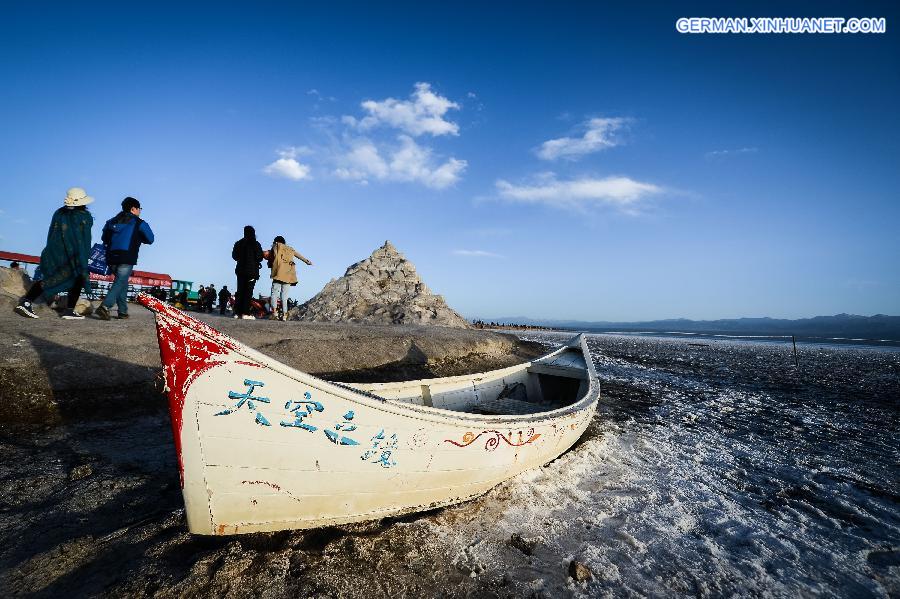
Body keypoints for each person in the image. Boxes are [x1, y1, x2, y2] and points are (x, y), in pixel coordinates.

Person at [16, 187, 95, 320]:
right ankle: (28, 303)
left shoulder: (59, 213)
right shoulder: (84, 217)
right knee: (77, 278)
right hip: (73, 255)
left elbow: (52, 232)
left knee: (53, 278)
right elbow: (84, 240)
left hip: (54, 252)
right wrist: (84, 257)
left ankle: (29, 302)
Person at [95, 197, 154, 320]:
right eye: (139, 209)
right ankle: (105, 306)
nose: (140, 211)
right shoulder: (139, 223)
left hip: (111, 256)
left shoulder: (111, 221)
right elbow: (150, 239)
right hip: (126, 257)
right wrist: (140, 238)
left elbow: (104, 238)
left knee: (121, 282)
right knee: (121, 281)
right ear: (133, 209)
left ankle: (122, 311)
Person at [267, 235, 312, 321]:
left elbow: (271, 258)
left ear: (276, 241)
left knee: (274, 293)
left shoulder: (276, 246)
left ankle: (274, 313)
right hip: (288, 275)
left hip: (278, 274)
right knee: (284, 296)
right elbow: (298, 255)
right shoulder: (290, 249)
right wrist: (307, 261)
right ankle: (284, 315)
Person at [232, 225, 264, 320]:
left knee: (240, 291)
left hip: (240, 271)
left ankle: (237, 313)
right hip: (252, 272)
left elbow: (234, 256)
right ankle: (245, 313)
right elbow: (260, 257)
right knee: (248, 292)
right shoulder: (256, 244)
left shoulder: (238, 243)